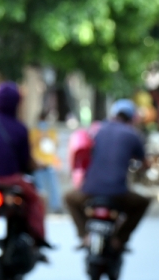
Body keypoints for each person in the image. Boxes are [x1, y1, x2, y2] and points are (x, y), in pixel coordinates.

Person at [0, 81, 49, 247]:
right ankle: (38, 239)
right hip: (12, 180)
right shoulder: (20, 128)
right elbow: (25, 161)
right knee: (36, 200)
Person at [64, 100, 150, 250]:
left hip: (89, 190)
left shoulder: (97, 130)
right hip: (118, 192)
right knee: (143, 202)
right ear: (131, 118)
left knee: (69, 198)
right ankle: (120, 239)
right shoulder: (132, 134)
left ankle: (84, 236)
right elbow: (144, 163)